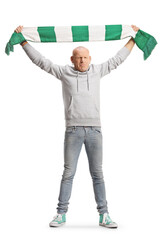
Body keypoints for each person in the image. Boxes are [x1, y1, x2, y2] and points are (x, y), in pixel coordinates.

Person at [15, 25, 139, 228]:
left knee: (97, 174)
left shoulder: (98, 71)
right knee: (68, 173)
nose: (82, 60)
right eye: (78, 57)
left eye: (85, 57)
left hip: (95, 130)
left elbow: (118, 59)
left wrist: (133, 39)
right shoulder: (64, 73)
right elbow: (41, 61)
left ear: (90, 59)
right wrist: (23, 41)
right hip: (73, 130)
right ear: (72, 59)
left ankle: (104, 214)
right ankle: (61, 213)